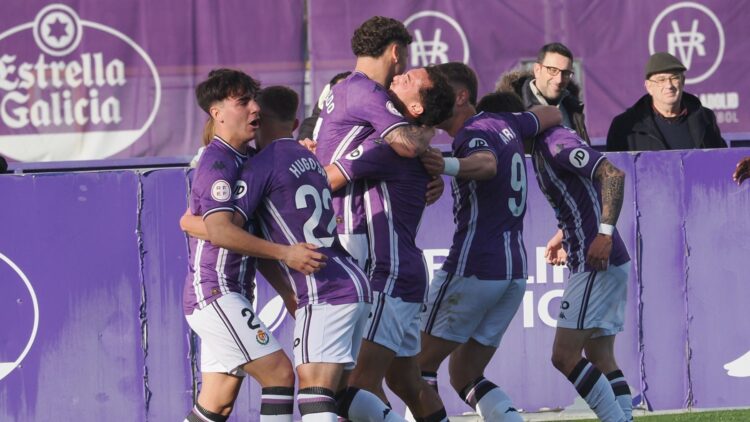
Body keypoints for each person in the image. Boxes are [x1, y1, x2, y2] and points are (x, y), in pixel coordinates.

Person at [416, 63, 561, 421]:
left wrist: (445, 167)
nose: (431, 98)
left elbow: (486, 164)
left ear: (461, 96)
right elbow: (552, 112)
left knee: (416, 367)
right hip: (512, 273)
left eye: (439, 91)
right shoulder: (506, 123)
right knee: (464, 375)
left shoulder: (472, 132)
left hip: (475, 266)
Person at [228, 85, 372, 422]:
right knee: (338, 393)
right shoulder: (310, 156)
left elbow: (227, 228)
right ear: (295, 123)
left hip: (323, 287)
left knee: (315, 395)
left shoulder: (261, 165)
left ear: (256, 118)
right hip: (351, 280)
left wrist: (194, 221)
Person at [324, 65, 454, 422]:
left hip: (390, 277)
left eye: (409, 79)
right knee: (406, 381)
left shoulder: (387, 146)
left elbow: (325, 180)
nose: (396, 79)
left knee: (357, 385)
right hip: (405, 274)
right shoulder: (408, 144)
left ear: (415, 109)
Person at [182, 69, 313, 422]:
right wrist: (287, 254)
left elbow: (249, 240)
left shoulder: (247, 161)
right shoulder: (218, 162)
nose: (256, 108)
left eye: (255, 99)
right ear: (217, 112)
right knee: (280, 374)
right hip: (215, 293)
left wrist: (286, 292)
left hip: (233, 293)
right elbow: (223, 233)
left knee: (218, 403)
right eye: (244, 102)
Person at [312, 15, 440, 269]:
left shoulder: (344, 88)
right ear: (395, 52)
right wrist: (428, 129)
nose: (404, 66)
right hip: (346, 224)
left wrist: (429, 173)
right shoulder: (369, 92)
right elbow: (408, 145)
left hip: (334, 219)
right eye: (406, 56)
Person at [531, 123, 633, 421]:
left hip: (597, 261)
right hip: (603, 259)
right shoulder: (546, 145)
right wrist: (563, 234)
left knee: (564, 356)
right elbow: (583, 196)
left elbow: (613, 175)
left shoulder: (555, 141)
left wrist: (604, 235)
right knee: (601, 357)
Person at [606, 52, 727, 151]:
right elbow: (613, 175)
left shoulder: (704, 118)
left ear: (683, 81)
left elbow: (719, 162)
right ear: (648, 86)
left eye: (674, 78)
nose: (669, 85)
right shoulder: (625, 126)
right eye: (661, 80)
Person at [496, 42, 589, 143]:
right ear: (537, 70)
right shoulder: (509, 108)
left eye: (566, 73)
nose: (559, 80)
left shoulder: (573, 108)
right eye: (553, 70)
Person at [298, 71, 352, 141]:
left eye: (349, 91)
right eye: (339, 91)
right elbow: (304, 140)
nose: (343, 96)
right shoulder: (311, 124)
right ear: (329, 95)